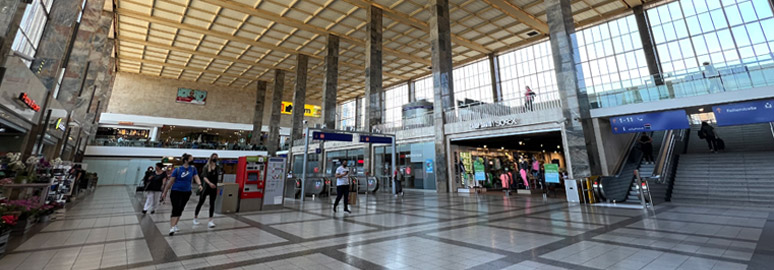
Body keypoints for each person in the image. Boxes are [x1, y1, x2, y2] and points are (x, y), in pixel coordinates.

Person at [162, 153, 203, 236]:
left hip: (186, 192)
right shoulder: (178, 170)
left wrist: (199, 184)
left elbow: (196, 177)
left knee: (181, 208)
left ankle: (175, 224)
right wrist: (165, 192)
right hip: (176, 191)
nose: (193, 160)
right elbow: (171, 182)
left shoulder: (193, 169)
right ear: (186, 160)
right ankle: (172, 227)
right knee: (176, 208)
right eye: (191, 159)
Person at [194, 153, 220, 228]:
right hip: (206, 187)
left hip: (214, 187)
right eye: (214, 157)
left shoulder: (217, 167)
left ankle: (210, 220)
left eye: (216, 157)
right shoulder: (206, 167)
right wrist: (209, 183)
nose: (215, 158)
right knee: (201, 202)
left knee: (212, 203)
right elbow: (204, 177)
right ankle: (195, 217)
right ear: (211, 158)